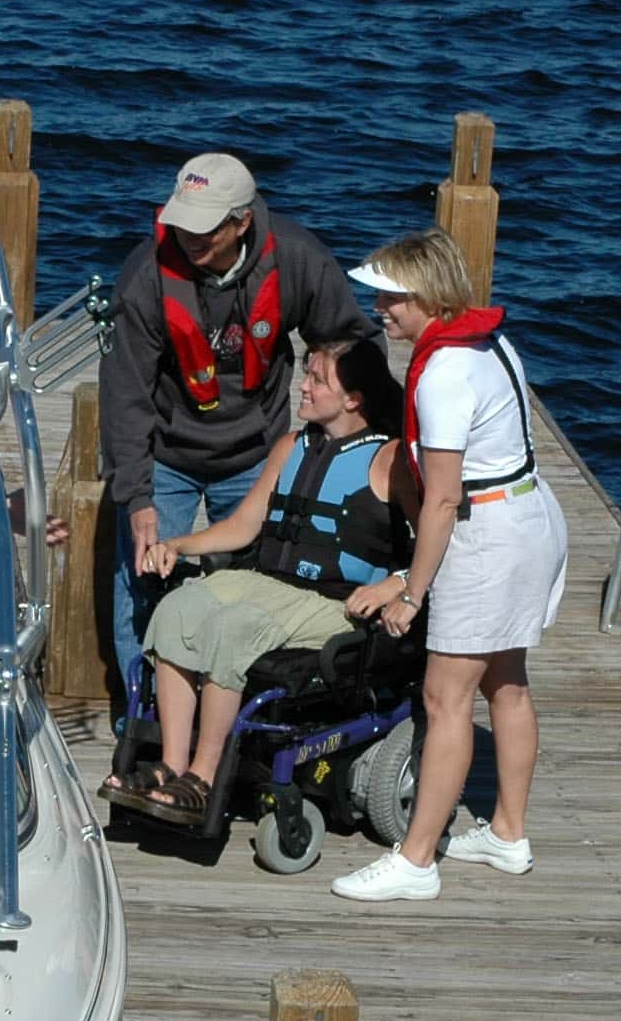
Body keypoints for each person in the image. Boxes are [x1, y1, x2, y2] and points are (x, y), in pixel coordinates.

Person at [328, 227, 568, 903]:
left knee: (444, 696)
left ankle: (416, 858)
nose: (381, 309)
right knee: (507, 683)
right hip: (530, 514)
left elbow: (439, 501)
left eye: (393, 299)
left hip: (488, 535)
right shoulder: (488, 341)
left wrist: (411, 587)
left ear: (428, 297)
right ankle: (508, 833)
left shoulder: (442, 374)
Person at [105, 335, 416, 825]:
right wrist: (177, 545)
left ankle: (202, 782)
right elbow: (244, 526)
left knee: (233, 628)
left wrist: (396, 585)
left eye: (317, 379)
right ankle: (171, 764)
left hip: (335, 602)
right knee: (176, 609)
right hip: (271, 582)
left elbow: (437, 544)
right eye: (306, 375)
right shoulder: (292, 446)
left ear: (354, 399)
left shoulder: (389, 460)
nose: (304, 388)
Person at [98, 153, 375, 704]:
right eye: (181, 223)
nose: (188, 238)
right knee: (140, 578)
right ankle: (142, 714)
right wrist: (137, 497)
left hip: (255, 452)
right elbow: (125, 395)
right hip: (166, 454)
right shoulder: (146, 276)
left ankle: (241, 713)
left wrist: (358, 438)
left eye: (203, 228)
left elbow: (351, 342)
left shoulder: (297, 259)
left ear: (241, 221)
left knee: (255, 589)